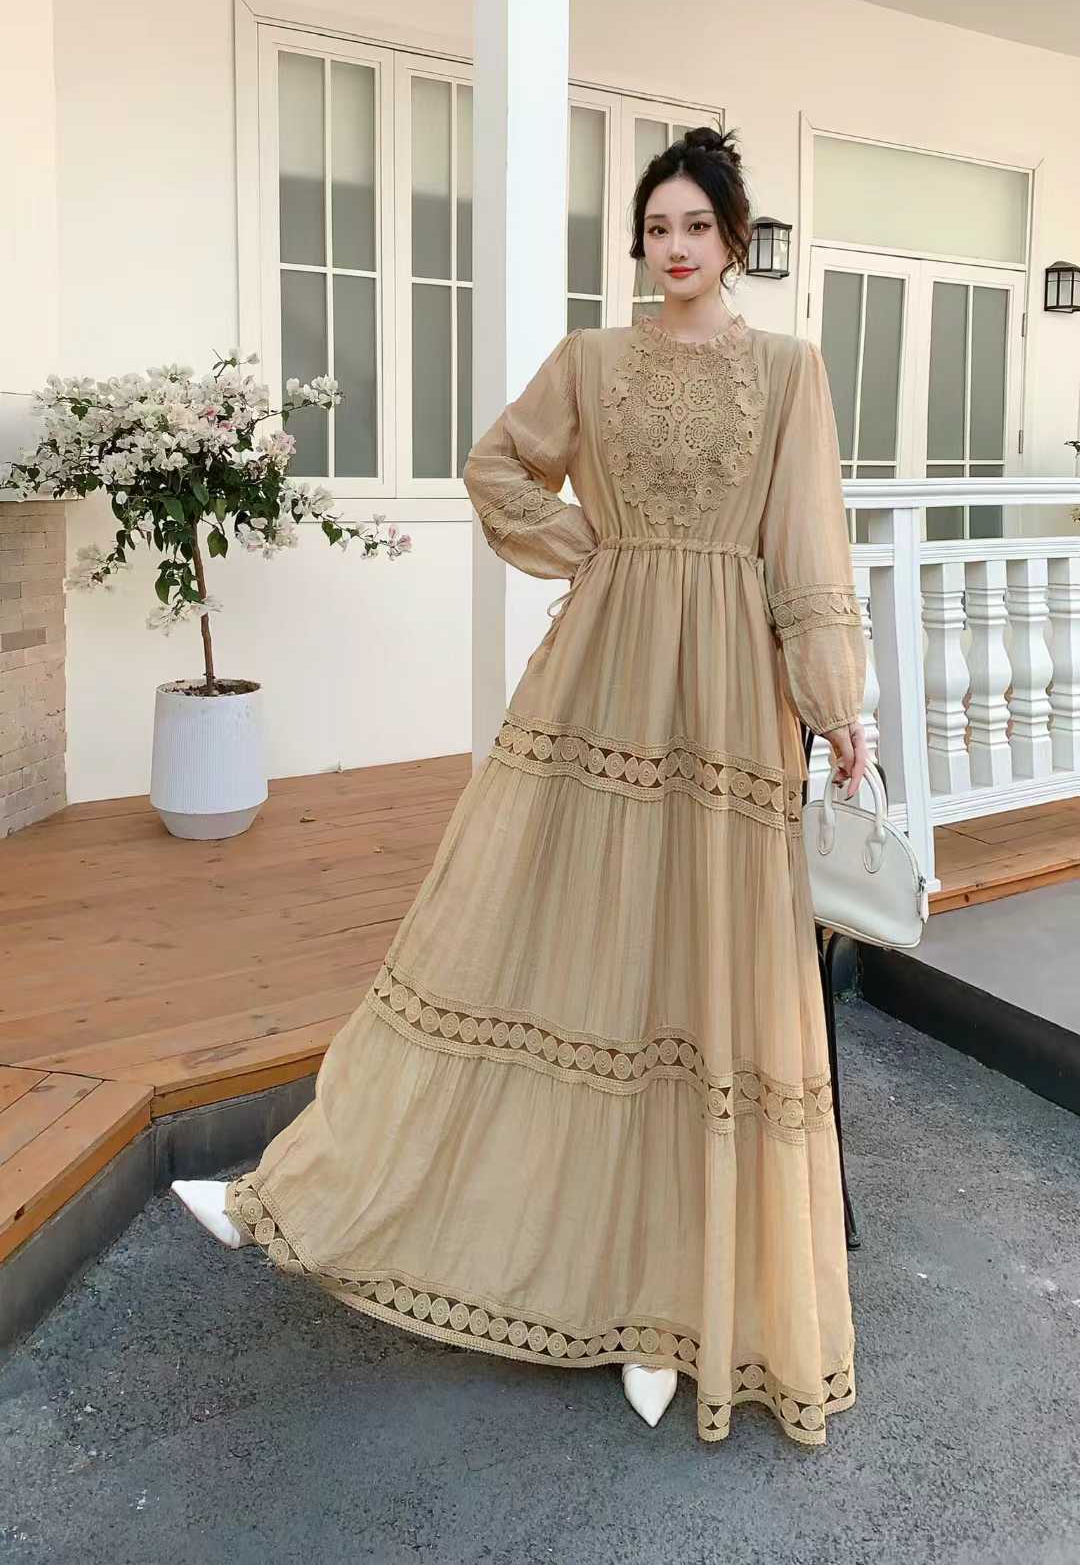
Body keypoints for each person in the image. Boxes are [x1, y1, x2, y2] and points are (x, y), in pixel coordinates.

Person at [174, 124, 868, 1444]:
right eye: (656, 228)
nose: (675, 248)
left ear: (734, 240)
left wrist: (837, 708)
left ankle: (669, 1313)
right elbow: (495, 467)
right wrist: (594, 549)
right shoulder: (590, 363)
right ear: (639, 243)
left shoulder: (790, 372)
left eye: (697, 227)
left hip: (732, 704)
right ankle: (335, 1189)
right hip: (602, 682)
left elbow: (805, 550)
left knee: (700, 979)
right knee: (557, 948)